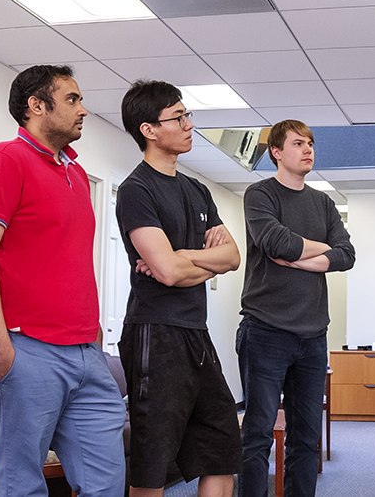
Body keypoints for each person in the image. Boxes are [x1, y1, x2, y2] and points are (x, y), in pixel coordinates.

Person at [0, 65, 126, 496]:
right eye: (72, 99)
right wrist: (0, 346)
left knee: (106, 481)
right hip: (25, 348)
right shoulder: (3, 160)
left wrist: (91, 343)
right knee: (21, 482)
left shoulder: (73, 173)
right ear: (36, 105)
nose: (84, 109)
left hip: (85, 353)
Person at [115, 80, 242, 497]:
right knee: (153, 464)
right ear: (149, 130)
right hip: (155, 332)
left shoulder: (197, 189)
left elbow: (232, 258)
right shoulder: (136, 190)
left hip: (195, 333)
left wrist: (181, 256)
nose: (189, 125)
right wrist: (181, 264)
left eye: (188, 115)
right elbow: (168, 274)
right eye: (179, 117)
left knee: (223, 447)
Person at [237, 120, 355, 497]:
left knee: (306, 438)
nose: (308, 150)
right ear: (276, 151)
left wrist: (300, 256)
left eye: (310, 144)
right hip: (265, 333)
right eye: (298, 143)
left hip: (313, 336)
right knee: (258, 435)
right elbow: (274, 241)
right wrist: (323, 247)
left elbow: (347, 254)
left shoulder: (323, 202)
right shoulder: (260, 195)